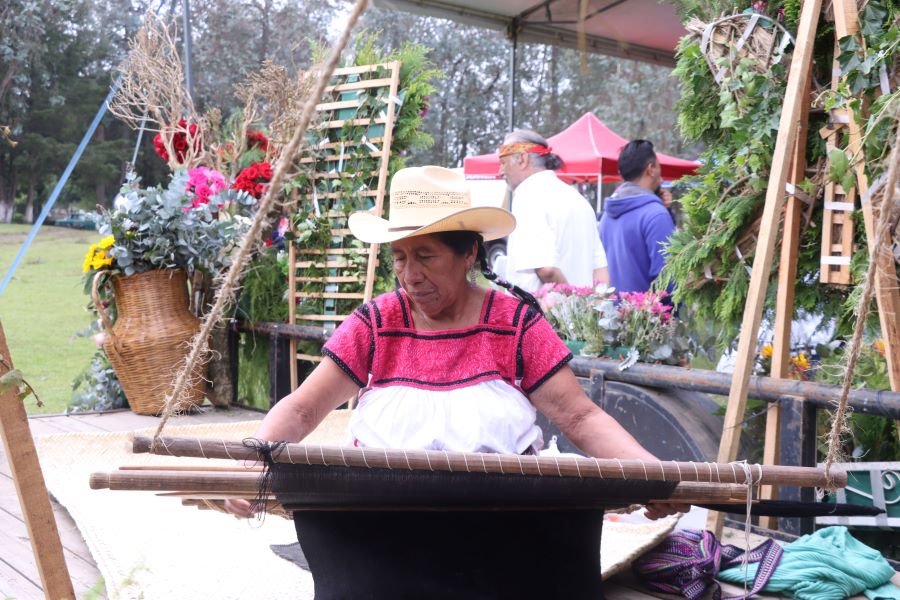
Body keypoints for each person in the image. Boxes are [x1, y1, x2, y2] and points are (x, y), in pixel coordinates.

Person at [224, 166, 685, 596]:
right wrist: (251, 466)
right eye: (400, 258)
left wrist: (652, 474)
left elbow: (579, 414)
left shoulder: (514, 323)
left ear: (468, 254)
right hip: (380, 533)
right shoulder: (377, 322)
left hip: (507, 534)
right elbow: (303, 408)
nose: (410, 275)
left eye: (425, 256)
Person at [498, 128, 608, 293]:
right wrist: (589, 313)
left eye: (503, 163)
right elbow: (600, 270)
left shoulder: (528, 197)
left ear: (522, 159)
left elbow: (546, 270)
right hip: (580, 315)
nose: (500, 172)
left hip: (540, 316)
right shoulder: (578, 199)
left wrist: (572, 304)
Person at [599, 139, 676, 293]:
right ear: (651, 169)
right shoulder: (655, 215)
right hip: (649, 314)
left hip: (613, 313)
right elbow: (667, 279)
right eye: (659, 166)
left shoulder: (606, 215)